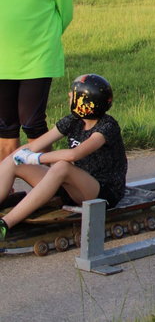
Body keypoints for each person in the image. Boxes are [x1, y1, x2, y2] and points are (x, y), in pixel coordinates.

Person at [0, 74, 126, 241]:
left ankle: (5, 225)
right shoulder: (74, 120)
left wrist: (37, 158)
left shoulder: (107, 127)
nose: (68, 96)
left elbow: (74, 154)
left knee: (62, 166)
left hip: (102, 192)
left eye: (73, 94)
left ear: (85, 103)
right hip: (74, 187)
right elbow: (34, 145)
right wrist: (20, 155)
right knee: (14, 159)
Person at [0, 0, 74, 160]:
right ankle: (4, 191)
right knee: (5, 128)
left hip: (38, 59)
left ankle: (45, 187)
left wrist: (44, 39)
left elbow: (65, 12)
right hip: (2, 61)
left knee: (33, 124)